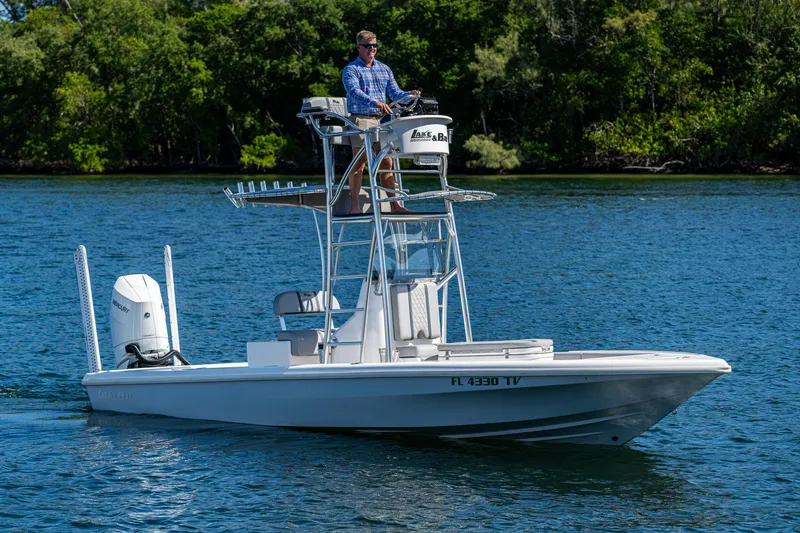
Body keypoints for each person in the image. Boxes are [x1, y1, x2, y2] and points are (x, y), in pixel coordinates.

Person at [342, 30, 421, 214]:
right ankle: (355, 207)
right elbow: (354, 92)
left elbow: (395, 94)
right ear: (358, 47)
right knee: (359, 161)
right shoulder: (351, 70)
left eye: (374, 46)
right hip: (360, 119)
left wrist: (410, 95)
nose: (372, 49)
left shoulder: (384, 69)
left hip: (381, 121)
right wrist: (376, 102)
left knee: (387, 163)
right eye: (368, 46)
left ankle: (395, 206)